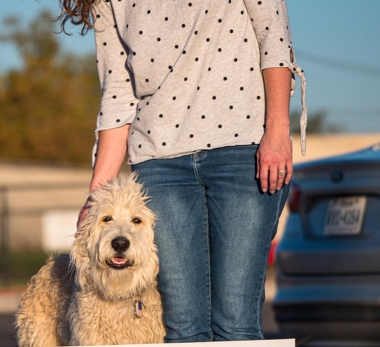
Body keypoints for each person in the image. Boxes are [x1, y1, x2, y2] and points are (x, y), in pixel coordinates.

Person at [58, 0, 306, 342]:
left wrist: (278, 130)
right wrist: (96, 193)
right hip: (159, 162)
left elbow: (274, 37)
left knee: (235, 320)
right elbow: (117, 92)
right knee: (184, 325)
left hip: (242, 147)